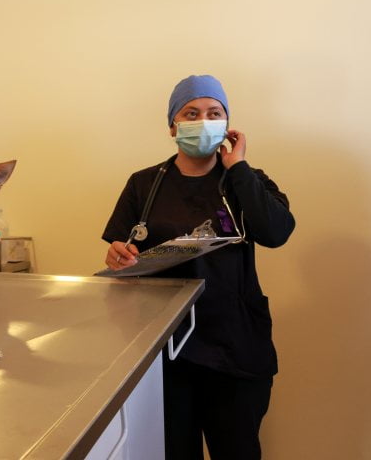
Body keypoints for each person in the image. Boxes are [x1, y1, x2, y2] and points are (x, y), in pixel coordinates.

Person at [101, 75, 295, 460]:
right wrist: (118, 255)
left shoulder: (247, 181)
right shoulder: (144, 184)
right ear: (172, 125)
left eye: (213, 113)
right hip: (166, 351)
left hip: (234, 347)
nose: (202, 120)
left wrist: (237, 168)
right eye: (191, 113)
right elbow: (120, 253)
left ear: (227, 125)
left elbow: (275, 232)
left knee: (237, 451)